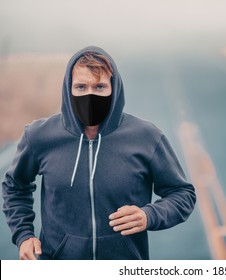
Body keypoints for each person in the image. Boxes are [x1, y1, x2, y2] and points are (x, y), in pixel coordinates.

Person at [2, 46, 196, 260]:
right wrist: (24, 235)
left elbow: (182, 194)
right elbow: (15, 186)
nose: (90, 94)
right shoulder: (40, 136)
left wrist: (149, 215)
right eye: (81, 87)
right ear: (69, 89)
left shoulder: (146, 137)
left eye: (100, 86)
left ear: (113, 89)